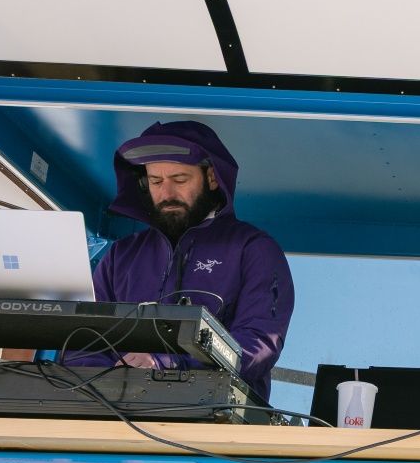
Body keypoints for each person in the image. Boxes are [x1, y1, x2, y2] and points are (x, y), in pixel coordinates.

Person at [85, 121, 293, 405]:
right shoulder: (120, 256)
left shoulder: (253, 249)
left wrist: (167, 364)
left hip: (215, 426)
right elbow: (82, 340)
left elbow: (258, 344)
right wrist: (106, 381)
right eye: (156, 182)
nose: (167, 193)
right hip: (111, 419)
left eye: (179, 180)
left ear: (212, 177)